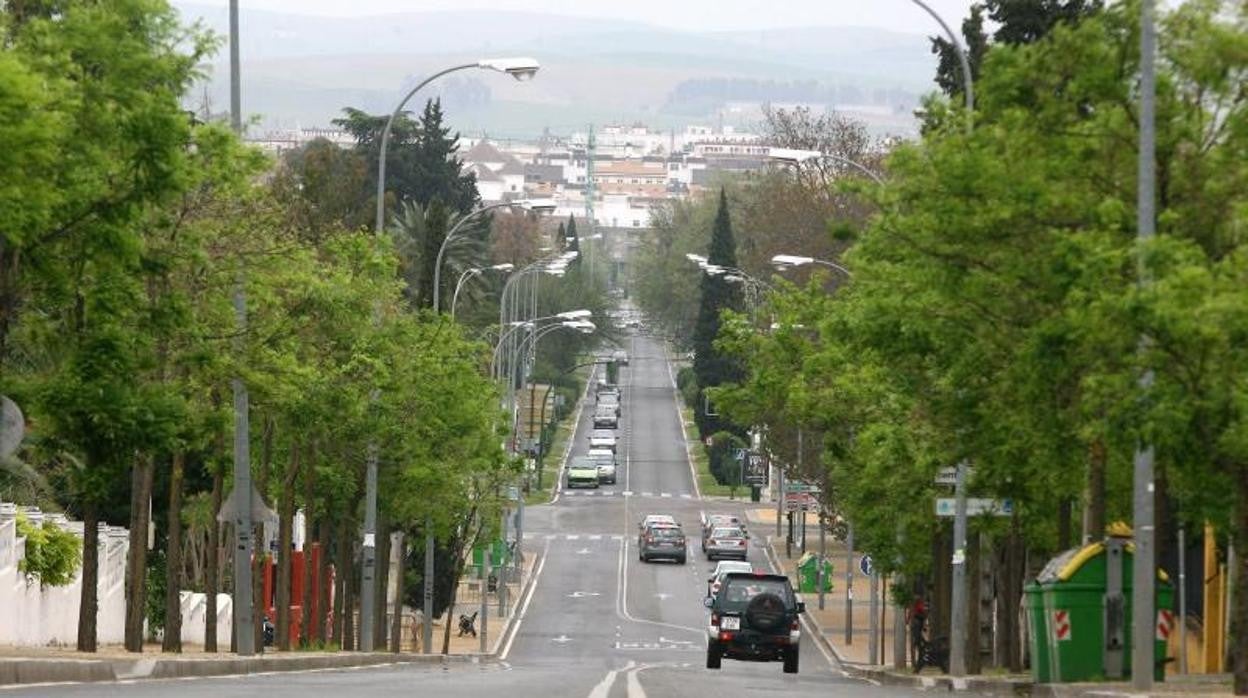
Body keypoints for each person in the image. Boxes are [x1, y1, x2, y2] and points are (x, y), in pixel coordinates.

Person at [907, 596, 928, 667]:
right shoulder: (918, 606)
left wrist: (908, 620)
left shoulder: (915, 607)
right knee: (918, 643)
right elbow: (924, 615)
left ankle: (918, 661)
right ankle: (918, 661)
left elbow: (910, 615)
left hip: (916, 625)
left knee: (917, 643)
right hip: (917, 625)